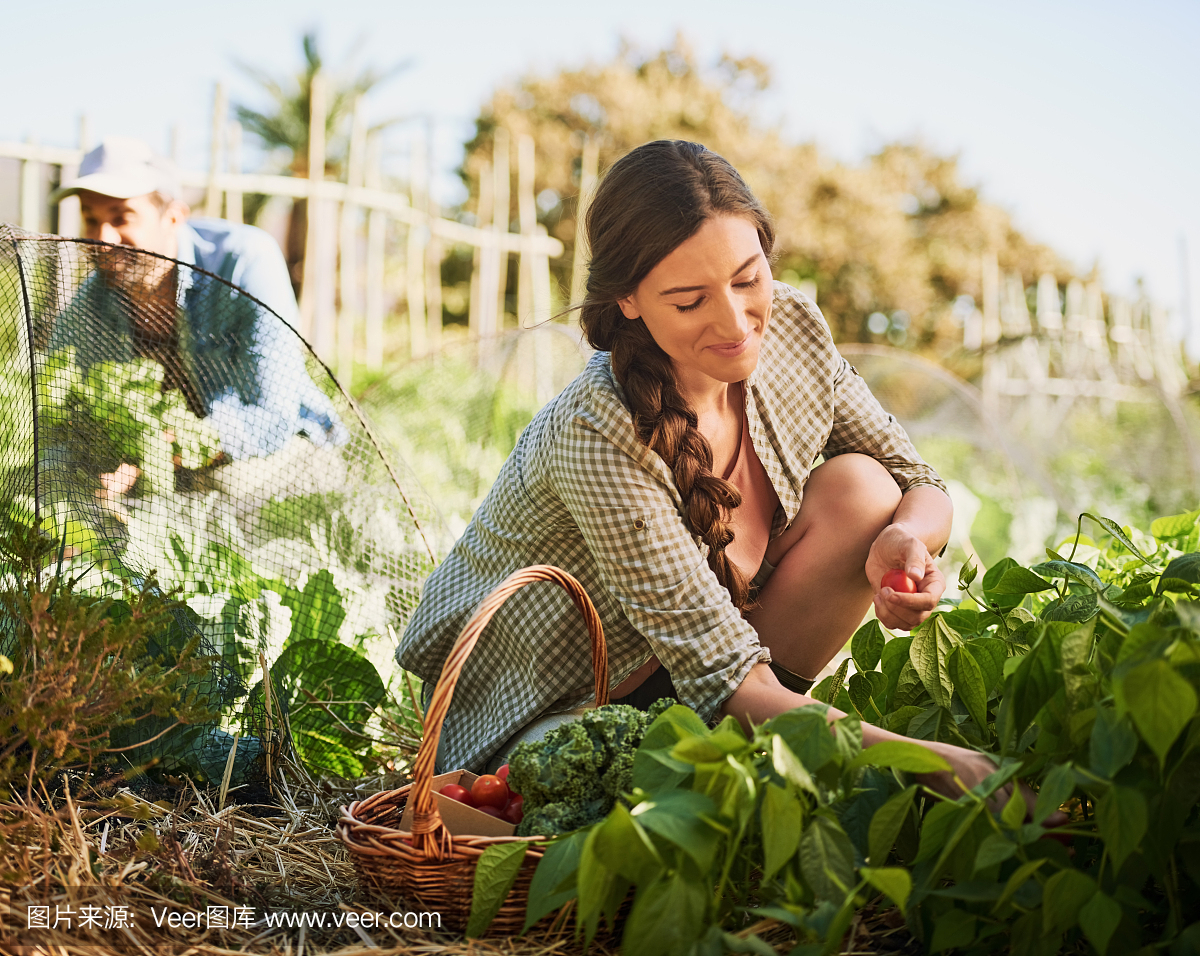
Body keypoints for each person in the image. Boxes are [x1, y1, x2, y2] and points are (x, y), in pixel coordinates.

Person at [398, 140, 1010, 805]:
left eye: (748, 279)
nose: (735, 323)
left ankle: (771, 753)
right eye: (690, 301)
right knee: (609, 800)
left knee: (864, 491)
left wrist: (910, 537)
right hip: (556, 709)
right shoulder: (598, 430)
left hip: (720, 675)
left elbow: (915, 477)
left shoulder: (794, 330)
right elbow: (721, 674)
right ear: (629, 299)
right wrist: (935, 765)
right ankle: (764, 760)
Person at [48, 136, 346, 501]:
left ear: (173, 217)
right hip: (163, 465)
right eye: (91, 219)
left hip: (286, 449)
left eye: (121, 217)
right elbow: (59, 424)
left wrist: (154, 454)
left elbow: (272, 419)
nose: (101, 239)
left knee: (224, 489)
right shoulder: (90, 306)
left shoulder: (242, 263)